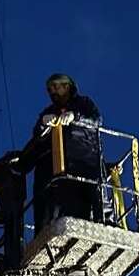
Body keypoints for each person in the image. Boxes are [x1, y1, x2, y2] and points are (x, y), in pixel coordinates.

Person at [18, 73, 104, 232]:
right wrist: (43, 124)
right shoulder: (49, 111)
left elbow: (96, 120)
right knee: (49, 203)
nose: (53, 92)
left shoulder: (83, 103)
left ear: (67, 86)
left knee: (87, 197)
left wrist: (75, 116)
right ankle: (44, 230)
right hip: (54, 168)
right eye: (50, 89)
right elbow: (37, 136)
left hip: (82, 159)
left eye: (56, 87)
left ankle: (100, 221)